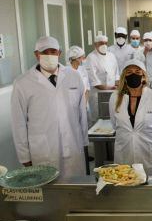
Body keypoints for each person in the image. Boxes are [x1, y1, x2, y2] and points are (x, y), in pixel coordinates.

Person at [11, 36, 89, 178]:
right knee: (50, 195)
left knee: (77, 191)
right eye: (44, 52)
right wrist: (24, 157)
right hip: (42, 151)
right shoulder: (22, 83)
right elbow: (18, 123)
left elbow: (81, 112)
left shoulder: (73, 76)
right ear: (36, 54)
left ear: (59, 53)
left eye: (53, 51)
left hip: (73, 145)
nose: (49, 55)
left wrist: (84, 142)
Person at [109, 59, 152, 175]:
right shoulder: (114, 98)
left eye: (137, 72)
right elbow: (115, 124)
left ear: (143, 76)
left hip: (149, 155)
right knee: (125, 187)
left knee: (151, 189)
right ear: (124, 77)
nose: (133, 75)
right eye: (129, 72)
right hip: (124, 153)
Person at [85, 35, 120, 121]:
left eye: (105, 43)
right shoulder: (91, 57)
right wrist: (109, 88)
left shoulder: (111, 56)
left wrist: (117, 86)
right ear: (95, 44)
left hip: (112, 92)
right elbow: (93, 80)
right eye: (101, 43)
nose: (104, 45)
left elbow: (116, 73)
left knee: (112, 116)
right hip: (97, 94)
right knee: (99, 118)